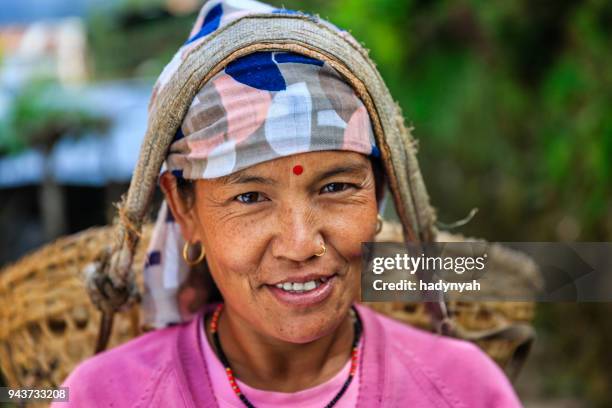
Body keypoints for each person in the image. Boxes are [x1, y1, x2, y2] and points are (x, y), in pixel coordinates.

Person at [54, 0, 522, 406]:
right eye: (250, 196)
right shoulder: (98, 397)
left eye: (336, 187)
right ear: (184, 209)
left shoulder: (465, 388)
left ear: (379, 193)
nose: (300, 245)